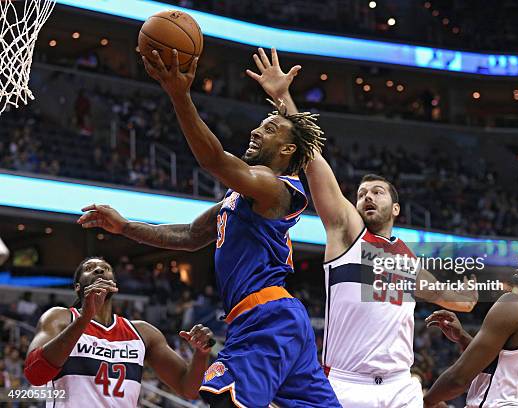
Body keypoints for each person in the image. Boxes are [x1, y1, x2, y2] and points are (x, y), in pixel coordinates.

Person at [77, 47, 340, 407]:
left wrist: (179, 95)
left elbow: (213, 160)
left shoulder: (275, 186)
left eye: (270, 128)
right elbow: (188, 235)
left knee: (221, 401)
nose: (256, 130)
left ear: (287, 149)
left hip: (267, 319)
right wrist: (125, 227)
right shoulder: (242, 196)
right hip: (270, 321)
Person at [247, 48, 478, 408]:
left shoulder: (405, 260)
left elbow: (457, 301)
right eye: (361, 193)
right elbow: (312, 160)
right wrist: (283, 97)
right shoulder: (348, 232)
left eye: (377, 192)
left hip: (401, 386)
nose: (367, 197)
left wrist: (471, 290)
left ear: (396, 208)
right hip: (347, 384)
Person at [24, 257, 214, 407]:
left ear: (115, 283)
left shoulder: (143, 332)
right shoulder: (60, 318)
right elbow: (35, 374)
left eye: (105, 268)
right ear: (77, 288)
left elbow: (188, 389)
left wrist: (201, 354)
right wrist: (85, 319)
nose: (99, 270)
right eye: (90, 268)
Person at [423, 233, 518, 407]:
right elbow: (509, 370)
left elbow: (459, 379)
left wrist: (426, 401)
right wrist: (463, 338)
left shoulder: (514, 305)